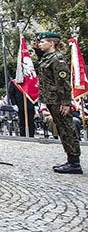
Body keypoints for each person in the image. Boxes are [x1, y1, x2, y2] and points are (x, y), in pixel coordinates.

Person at [35, 32, 82, 174]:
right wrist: (37, 48)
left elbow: (63, 83)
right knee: (62, 129)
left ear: (52, 43)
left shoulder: (58, 59)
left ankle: (74, 163)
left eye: (43, 41)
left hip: (58, 100)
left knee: (67, 129)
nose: (40, 43)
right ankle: (71, 160)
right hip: (51, 99)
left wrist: (66, 102)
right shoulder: (47, 57)